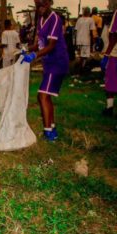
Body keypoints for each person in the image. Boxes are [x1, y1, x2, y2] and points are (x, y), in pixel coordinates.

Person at [21, 0, 69, 141]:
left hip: (57, 62)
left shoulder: (55, 19)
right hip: (49, 63)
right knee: (45, 96)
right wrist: (27, 49)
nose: (40, 5)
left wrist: (35, 55)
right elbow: (40, 43)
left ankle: (49, 133)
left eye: (43, 2)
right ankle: (51, 127)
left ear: (50, 2)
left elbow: (51, 45)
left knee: (42, 95)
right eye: (37, 3)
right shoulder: (41, 19)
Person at [100, 10, 117, 117]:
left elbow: (114, 35)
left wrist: (106, 55)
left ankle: (109, 107)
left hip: (116, 55)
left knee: (111, 81)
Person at [75, 7, 97, 71]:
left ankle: (80, 68)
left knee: (81, 55)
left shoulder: (79, 19)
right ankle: (81, 69)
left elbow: (76, 30)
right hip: (86, 40)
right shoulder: (90, 20)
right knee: (84, 56)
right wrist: (93, 40)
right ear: (89, 12)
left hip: (79, 40)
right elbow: (91, 31)